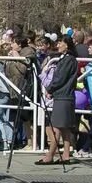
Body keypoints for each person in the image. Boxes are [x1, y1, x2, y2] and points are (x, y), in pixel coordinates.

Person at [38, 35, 78, 165]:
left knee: (56, 128)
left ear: (67, 44)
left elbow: (60, 78)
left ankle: (50, 155)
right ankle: (65, 155)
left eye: (60, 43)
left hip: (63, 96)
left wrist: (50, 89)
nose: (58, 45)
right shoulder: (65, 59)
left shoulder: (68, 60)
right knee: (64, 127)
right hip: (63, 95)